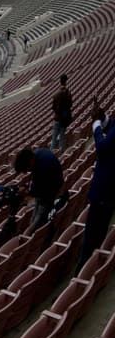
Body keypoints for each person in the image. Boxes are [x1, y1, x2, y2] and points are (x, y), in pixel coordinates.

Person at [79, 99, 115, 271]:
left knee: (92, 234)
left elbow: (102, 146)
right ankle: (93, 265)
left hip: (104, 191)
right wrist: (104, 119)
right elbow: (113, 131)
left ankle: (83, 271)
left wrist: (96, 124)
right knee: (98, 231)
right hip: (108, 192)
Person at [14, 146, 64, 231]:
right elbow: (36, 185)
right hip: (51, 186)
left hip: (50, 192)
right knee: (35, 214)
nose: (28, 170)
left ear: (30, 161)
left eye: (27, 168)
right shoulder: (38, 154)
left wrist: (25, 199)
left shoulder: (42, 167)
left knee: (38, 221)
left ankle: (38, 233)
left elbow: (37, 191)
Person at [52, 74, 74, 151]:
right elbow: (71, 104)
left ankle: (52, 152)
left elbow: (53, 107)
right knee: (62, 137)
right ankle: (61, 152)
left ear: (60, 82)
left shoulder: (56, 94)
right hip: (64, 118)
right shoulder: (68, 93)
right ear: (66, 82)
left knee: (54, 138)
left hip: (58, 118)